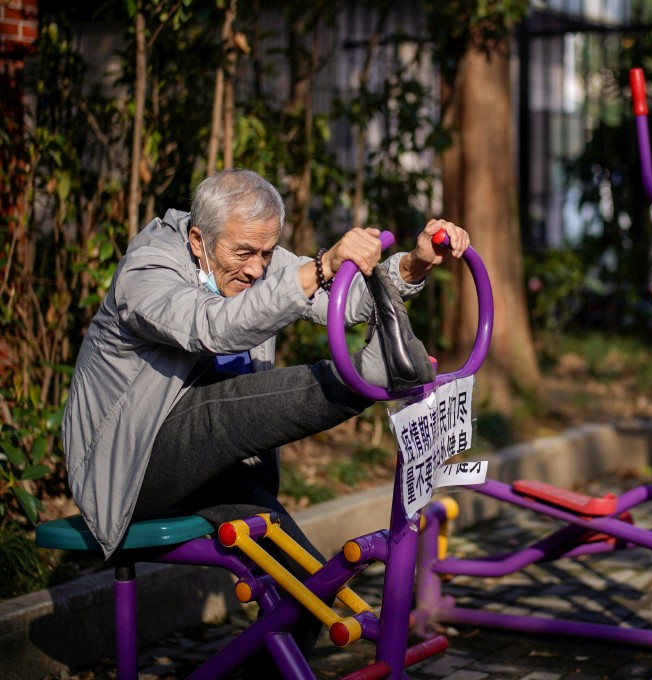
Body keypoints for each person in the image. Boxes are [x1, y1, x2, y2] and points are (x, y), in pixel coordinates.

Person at [60, 168, 468, 670]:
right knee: (214, 410)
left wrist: (412, 264)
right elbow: (212, 327)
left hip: (213, 472)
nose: (257, 269)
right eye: (244, 254)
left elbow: (344, 301)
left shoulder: (251, 253)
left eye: (267, 254)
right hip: (127, 470)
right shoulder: (146, 272)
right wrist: (319, 267)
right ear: (198, 240)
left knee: (308, 590)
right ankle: (360, 379)